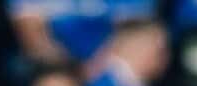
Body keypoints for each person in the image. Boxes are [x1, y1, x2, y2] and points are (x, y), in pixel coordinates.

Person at [9, 0, 156, 64]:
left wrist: (97, 67)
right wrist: (68, 69)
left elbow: (135, 26)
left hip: (109, 65)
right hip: (54, 65)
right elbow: (30, 33)